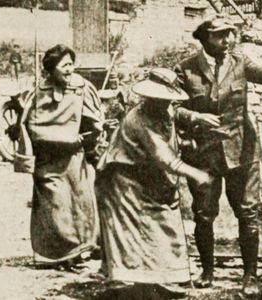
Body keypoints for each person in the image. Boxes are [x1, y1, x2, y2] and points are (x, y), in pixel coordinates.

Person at [174, 15, 262, 295]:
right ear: (205, 38)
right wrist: (195, 116)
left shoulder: (239, 61)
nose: (228, 40)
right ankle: (207, 272)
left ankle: (250, 276)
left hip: (242, 150)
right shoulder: (185, 69)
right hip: (204, 155)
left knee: (247, 214)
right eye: (221, 35)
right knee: (203, 215)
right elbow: (171, 107)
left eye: (230, 34)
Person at [96, 68, 214, 297]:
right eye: (161, 98)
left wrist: (197, 118)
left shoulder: (164, 108)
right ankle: (140, 285)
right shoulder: (139, 119)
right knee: (135, 233)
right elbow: (164, 158)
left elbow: (176, 116)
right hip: (124, 179)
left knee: (164, 226)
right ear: (150, 97)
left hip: (149, 178)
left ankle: (161, 280)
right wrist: (197, 174)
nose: (166, 102)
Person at [14, 44, 104, 270]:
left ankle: (76, 253)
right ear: (51, 69)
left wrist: (92, 134)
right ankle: (60, 256)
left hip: (74, 160)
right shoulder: (39, 92)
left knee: (80, 204)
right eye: (64, 65)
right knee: (56, 207)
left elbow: (94, 120)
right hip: (49, 161)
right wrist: (65, 139)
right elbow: (32, 128)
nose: (70, 69)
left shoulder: (82, 88)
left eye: (71, 64)